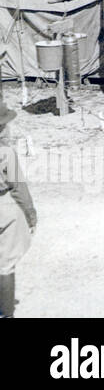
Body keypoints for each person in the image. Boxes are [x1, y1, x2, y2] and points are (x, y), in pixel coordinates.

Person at [0, 105, 36, 319]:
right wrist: (31, 214)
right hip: (3, 208)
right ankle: (6, 315)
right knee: (5, 264)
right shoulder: (5, 153)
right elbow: (18, 188)